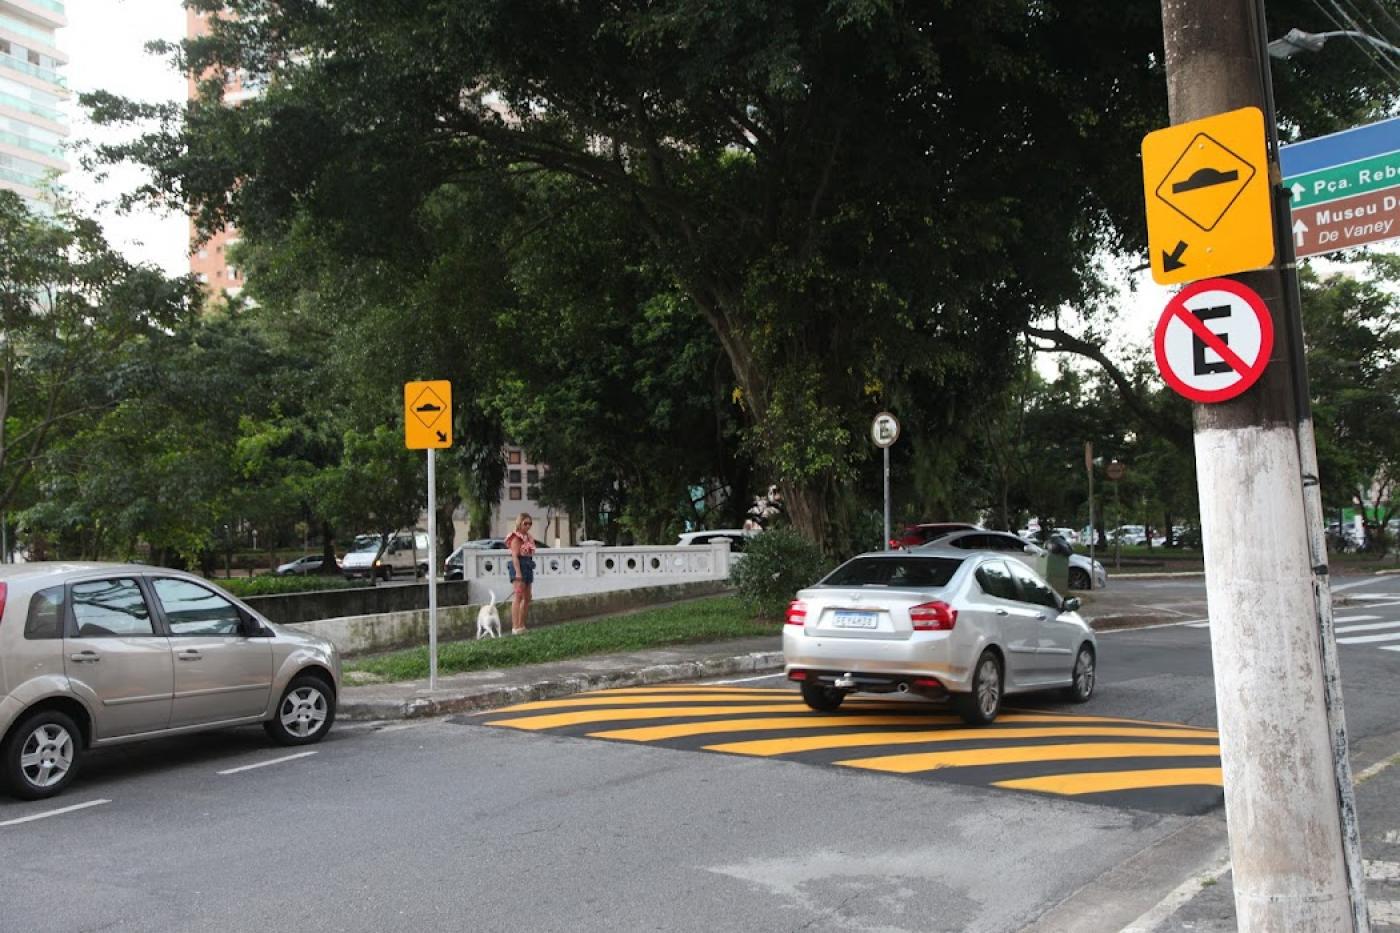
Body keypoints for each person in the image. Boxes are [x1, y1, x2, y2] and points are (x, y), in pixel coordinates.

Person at [506, 513, 536, 634]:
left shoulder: (528, 537)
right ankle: (515, 626)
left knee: (527, 597)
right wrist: (518, 573)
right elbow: (514, 556)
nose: (528, 526)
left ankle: (522, 625)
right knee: (518, 596)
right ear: (520, 523)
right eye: (525, 523)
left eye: (530, 523)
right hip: (519, 566)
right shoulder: (516, 537)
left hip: (528, 565)